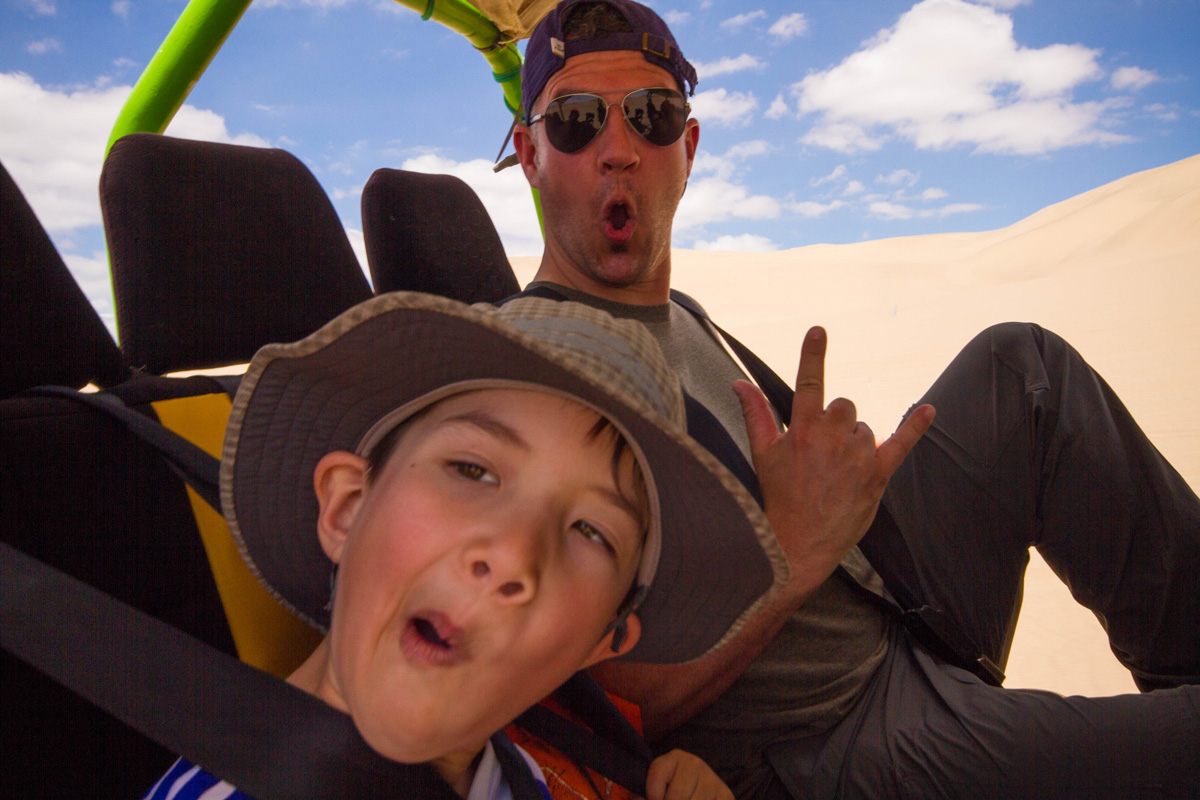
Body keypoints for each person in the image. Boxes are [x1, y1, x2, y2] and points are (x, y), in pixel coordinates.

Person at [505, 1, 1200, 797]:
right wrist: (794, 550)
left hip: (887, 598)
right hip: (819, 734)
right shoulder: (534, 362)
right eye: (577, 122)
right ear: (530, 154)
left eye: (653, 116)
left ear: (688, 148)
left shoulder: (682, 313)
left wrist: (831, 510)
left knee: (1023, 368)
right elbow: (598, 703)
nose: (618, 150)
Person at [143, 291, 791, 800]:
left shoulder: (510, 775)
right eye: (473, 471)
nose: (512, 555)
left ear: (600, 642)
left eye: (592, 532)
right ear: (347, 507)